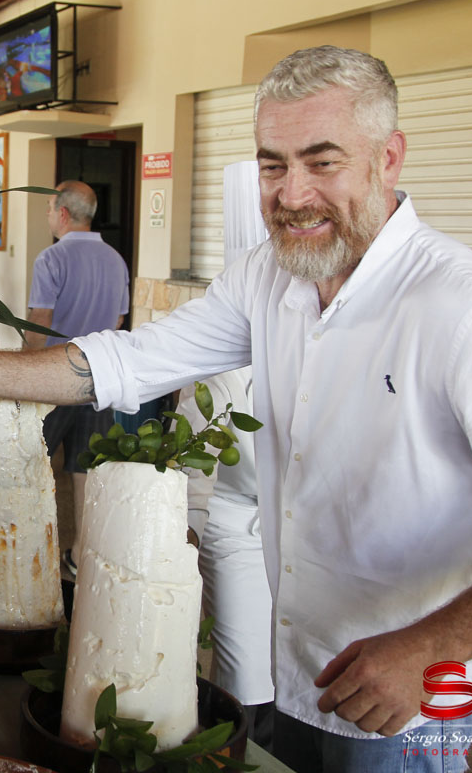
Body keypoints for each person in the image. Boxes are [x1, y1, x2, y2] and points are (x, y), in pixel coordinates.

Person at [0, 46, 472, 773]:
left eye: (323, 162)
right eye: (273, 165)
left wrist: (431, 647)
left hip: (414, 694)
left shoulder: (471, 313)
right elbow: (125, 361)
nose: (292, 194)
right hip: (298, 668)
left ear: (389, 158)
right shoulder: (268, 278)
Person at [175, 161, 274, 749]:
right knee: (243, 666)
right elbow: (192, 460)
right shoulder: (217, 348)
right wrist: (183, 539)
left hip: (317, 533)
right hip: (237, 522)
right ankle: (246, 748)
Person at [22, 180, 130, 571]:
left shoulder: (51, 259)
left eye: (50, 208)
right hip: (99, 380)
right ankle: (81, 556)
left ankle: (29, 550)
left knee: (31, 463)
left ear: (63, 214)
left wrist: (20, 371)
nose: (48, 216)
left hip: (53, 377)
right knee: (86, 471)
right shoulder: (116, 260)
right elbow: (118, 320)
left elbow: (38, 324)